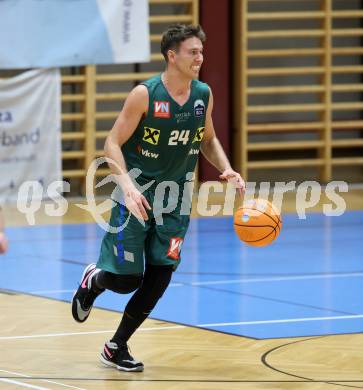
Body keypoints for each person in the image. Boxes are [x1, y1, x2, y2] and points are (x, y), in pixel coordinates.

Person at [71, 24, 245, 372]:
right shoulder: (144, 94)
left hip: (177, 200)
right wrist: (129, 186)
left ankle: (116, 345)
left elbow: (207, 140)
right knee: (125, 280)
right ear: (172, 55)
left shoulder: (202, 95)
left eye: (201, 51)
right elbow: (112, 143)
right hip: (135, 196)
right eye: (192, 52)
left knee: (161, 274)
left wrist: (225, 167)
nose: (200, 57)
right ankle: (95, 279)